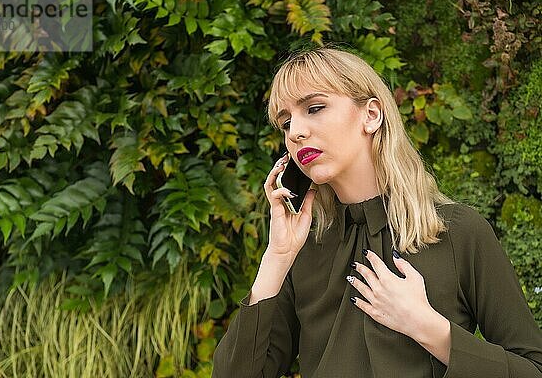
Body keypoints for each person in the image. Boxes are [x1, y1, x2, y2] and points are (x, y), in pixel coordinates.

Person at [212, 47, 542, 377]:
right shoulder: (302, 249)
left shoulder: (458, 232)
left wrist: (427, 327)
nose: (295, 132)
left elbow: (532, 369)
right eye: (285, 123)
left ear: (371, 115)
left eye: (314, 108)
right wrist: (277, 257)